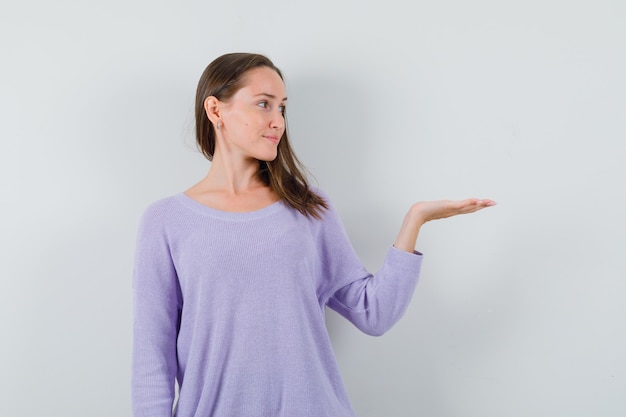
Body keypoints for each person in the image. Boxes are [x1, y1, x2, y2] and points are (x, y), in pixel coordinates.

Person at [131, 52, 495, 417]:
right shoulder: (166, 221)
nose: (278, 122)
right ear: (216, 110)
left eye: (282, 109)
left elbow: (374, 313)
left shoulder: (307, 207)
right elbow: (152, 361)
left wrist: (415, 220)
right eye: (264, 104)